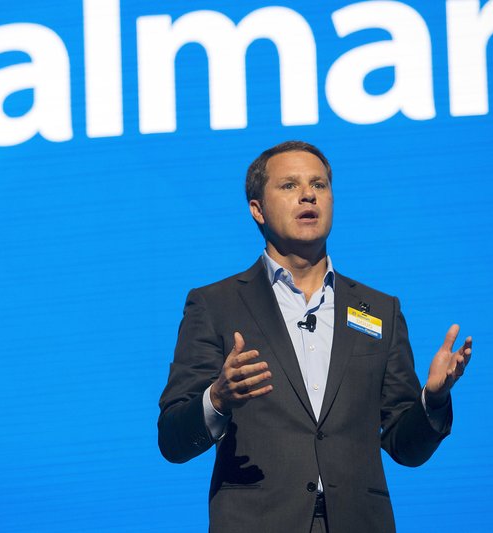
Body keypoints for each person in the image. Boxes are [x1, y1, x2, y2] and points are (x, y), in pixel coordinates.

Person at [157, 141, 472, 533]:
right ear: (257, 209)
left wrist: (434, 400)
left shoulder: (380, 310)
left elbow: (405, 448)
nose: (308, 194)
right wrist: (217, 399)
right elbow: (172, 440)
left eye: (319, 185)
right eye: (289, 185)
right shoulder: (215, 305)